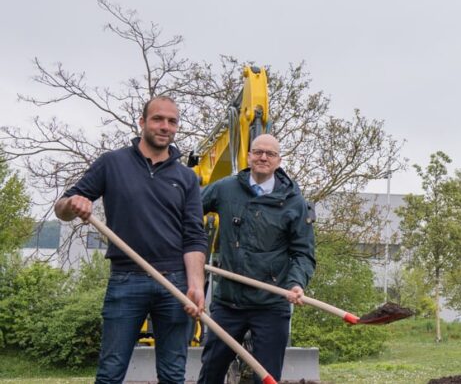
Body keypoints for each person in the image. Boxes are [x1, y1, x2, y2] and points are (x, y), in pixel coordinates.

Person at [55, 96, 207, 384]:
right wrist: (74, 202)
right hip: (126, 280)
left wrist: (196, 285)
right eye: (158, 119)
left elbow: (195, 236)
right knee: (110, 372)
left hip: (174, 281)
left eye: (172, 121)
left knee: (174, 375)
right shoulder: (112, 163)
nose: (165, 126)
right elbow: (62, 208)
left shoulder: (187, 178)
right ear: (142, 122)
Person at [198, 133, 316, 384]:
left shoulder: (295, 203)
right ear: (249, 156)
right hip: (229, 302)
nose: (263, 157)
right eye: (258, 152)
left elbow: (302, 253)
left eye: (270, 153)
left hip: (271, 303)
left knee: (267, 378)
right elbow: (188, 210)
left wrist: (296, 283)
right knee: (210, 372)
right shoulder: (225, 188)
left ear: (278, 160)